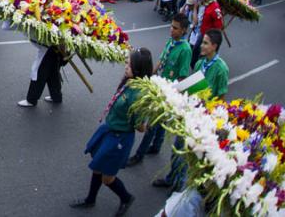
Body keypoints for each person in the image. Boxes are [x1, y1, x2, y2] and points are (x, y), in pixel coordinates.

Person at [70, 48, 154, 216]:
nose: (126, 66)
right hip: (109, 130)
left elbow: (140, 127)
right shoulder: (130, 81)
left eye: (129, 65)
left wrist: (145, 122)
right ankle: (90, 199)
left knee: (107, 178)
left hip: (119, 139)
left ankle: (126, 197)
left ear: (138, 69)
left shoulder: (139, 94)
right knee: (97, 167)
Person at [154, 29, 229, 192]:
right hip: (190, 111)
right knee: (178, 149)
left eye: (205, 43)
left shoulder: (221, 69)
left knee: (187, 155)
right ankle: (171, 179)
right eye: (202, 42)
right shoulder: (199, 64)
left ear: (215, 46)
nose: (201, 46)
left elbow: (221, 98)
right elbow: (192, 86)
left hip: (203, 119)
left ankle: (178, 188)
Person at [127, 14, 191, 166]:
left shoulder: (185, 50)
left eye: (175, 28)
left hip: (169, 93)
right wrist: (149, 76)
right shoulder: (171, 42)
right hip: (160, 86)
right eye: (171, 26)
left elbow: (182, 76)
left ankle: (139, 155)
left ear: (183, 30)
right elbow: (161, 62)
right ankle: (156, 146)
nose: (171, 30)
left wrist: (173, 97)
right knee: (161, 122)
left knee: (152, 124)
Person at [193, 0, 222, 68]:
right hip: (202, 33)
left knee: (203, 54)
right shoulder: (206, 3)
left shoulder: (215, 7)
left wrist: (213, 40)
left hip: (209, 37)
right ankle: (196, 67)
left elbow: (218, 26)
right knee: (196, 50)